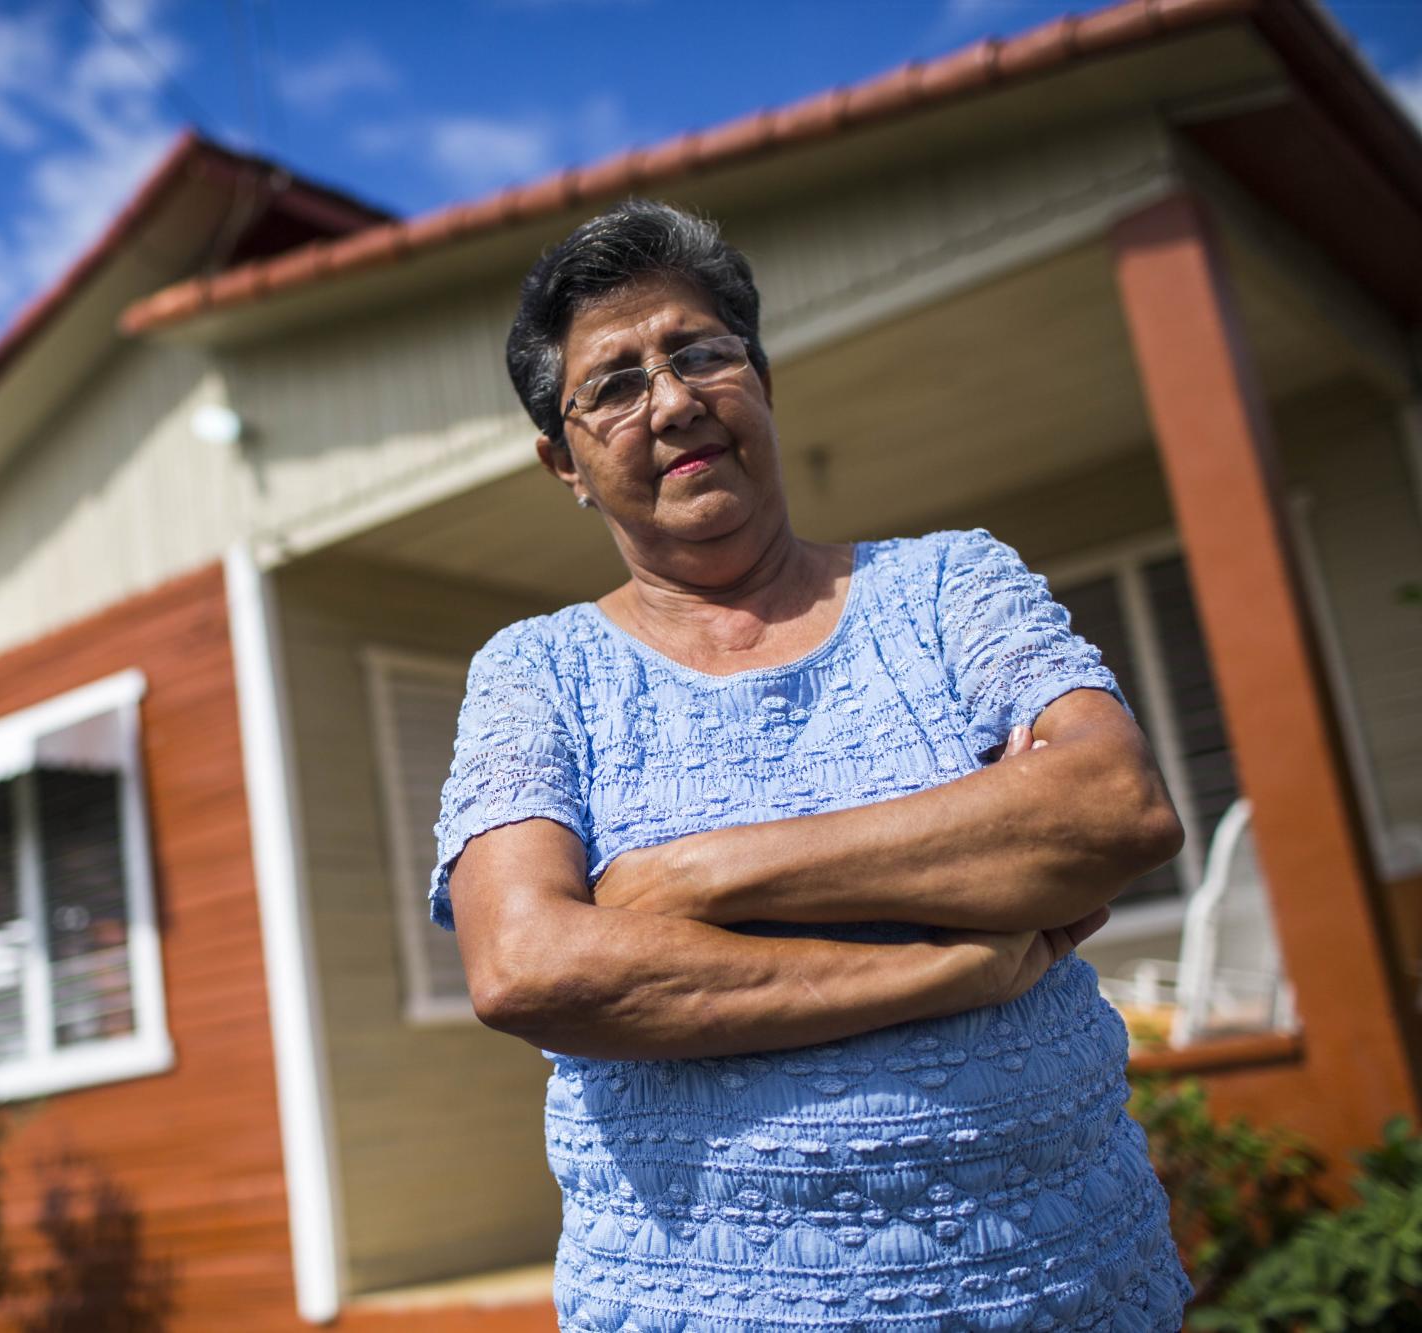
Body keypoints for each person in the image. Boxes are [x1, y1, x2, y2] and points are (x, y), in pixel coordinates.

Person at [432, 199, 1193, 1332]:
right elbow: (529, 966)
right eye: (615, 384)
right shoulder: (537, 674)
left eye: (700, 352)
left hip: (1070, 1284)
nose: (675, 399)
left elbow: (1111, 807)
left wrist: (695, 880)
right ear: (566, 464)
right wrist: (940, 969)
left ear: (762, 383)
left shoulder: (948, 586)